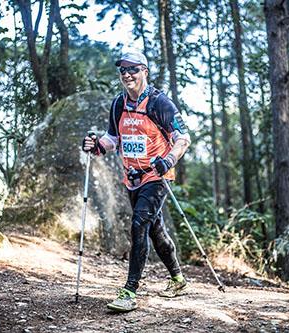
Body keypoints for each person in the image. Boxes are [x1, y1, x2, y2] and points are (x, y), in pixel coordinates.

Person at [82, 51, 191, 312]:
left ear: (145, 71)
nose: (127, 74)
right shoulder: (118, 103)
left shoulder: (159, 103)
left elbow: (183, 138)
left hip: (157, 175)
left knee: (139, 223)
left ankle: (130, 290)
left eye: (133, 69)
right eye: (123, 70)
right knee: (156, 231)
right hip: (132, 178)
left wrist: (169, 159)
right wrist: (97, 145)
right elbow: (113, 139)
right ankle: (177, 278)